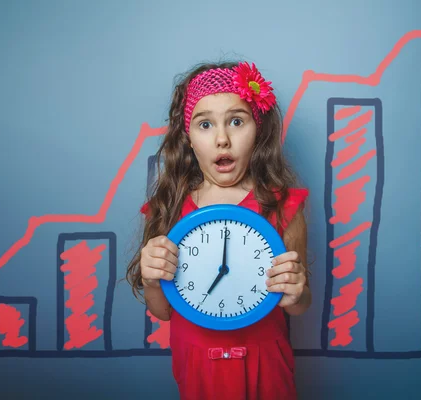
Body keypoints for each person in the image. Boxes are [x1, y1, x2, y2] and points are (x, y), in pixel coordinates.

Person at [126, 60, 312, 399]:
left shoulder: (284, 206)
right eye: (206, 124)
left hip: (265, 364)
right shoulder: (167, 207)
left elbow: (298, 304)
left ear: (258, 131)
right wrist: (152, 279)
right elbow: (162, 310)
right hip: (197, 366)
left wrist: (296, 290)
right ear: (189, 139)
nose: (222, 139)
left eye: (236, 121)